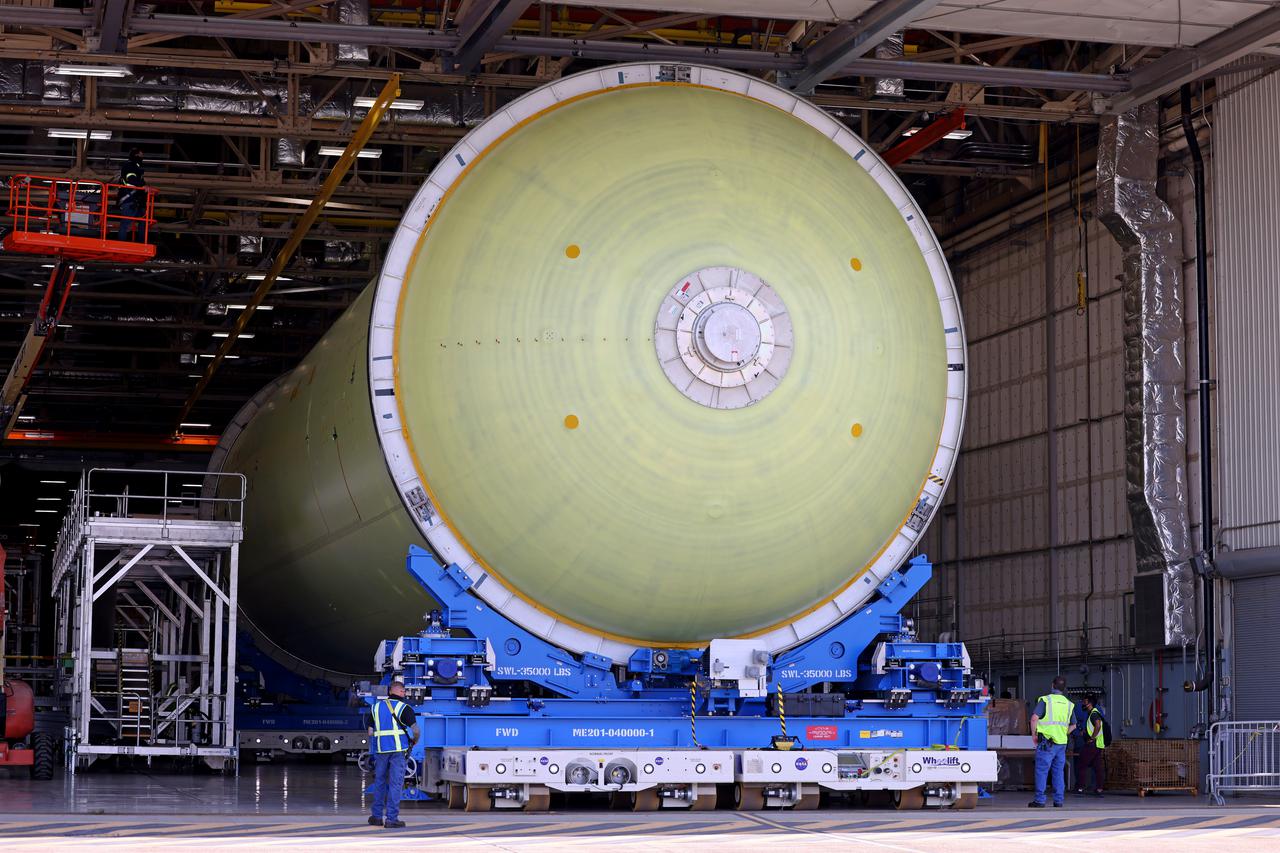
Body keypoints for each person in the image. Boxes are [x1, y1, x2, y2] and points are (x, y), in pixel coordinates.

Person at [365, 679, 419, 829]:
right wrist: (414, 741)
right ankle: (391, 819)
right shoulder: (405, 708)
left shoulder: (375, 707)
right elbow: (416, 730)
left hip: (381, 750)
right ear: (402, 692)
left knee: (379, 782)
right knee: (395, 784)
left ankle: (376, 817)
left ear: (389, 692)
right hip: (398, 751)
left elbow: (370, 732)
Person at [1028, 675, 1076, 808]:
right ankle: (1058, 800)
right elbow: (1073, 725)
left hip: (1047, 743)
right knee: (1058, 772)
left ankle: (1040, 800)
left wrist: (1034, 734)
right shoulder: (1069, 704)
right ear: (1064, 688)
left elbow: (1034, 718)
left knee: (1042, 771)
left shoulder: (1046, 700)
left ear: (1052, 685)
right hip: (1061, 744)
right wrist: (1063, 733)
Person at [1074, 693, 1106, 797]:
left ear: (1090, 703)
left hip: (1092, 744)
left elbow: (1098, 725)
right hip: (1097, 745)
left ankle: (1080, 788)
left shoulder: (1094, 713)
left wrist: (1092, 738)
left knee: (1081, 764)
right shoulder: (1094, 713)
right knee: (1097, 767)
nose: (1083, 703)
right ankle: (1099, 789)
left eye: (1085, 702)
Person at [116, 148, 146, 241]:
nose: (142, 157)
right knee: (125, 224)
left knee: (143, 222)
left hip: (137, 200)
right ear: (136, 155)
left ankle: (142, 243)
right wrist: (143, 186)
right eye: (141, 155)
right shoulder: (130, 166)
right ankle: (121, 244)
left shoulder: (136, 167)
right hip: (129, 199)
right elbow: (131, 180)